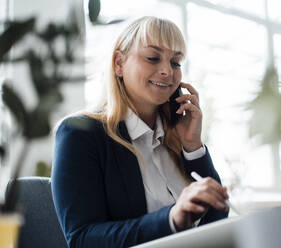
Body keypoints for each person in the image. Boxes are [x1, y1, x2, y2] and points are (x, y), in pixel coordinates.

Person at [51, 16, 229, 248]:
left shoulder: (175, 138)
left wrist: (193, 146)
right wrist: (171, 219)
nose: (167, 71)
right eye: (153, 58)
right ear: (119, 63)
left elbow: (216, 220)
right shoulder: (81, 134)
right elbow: (82, 238)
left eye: (175, 62)